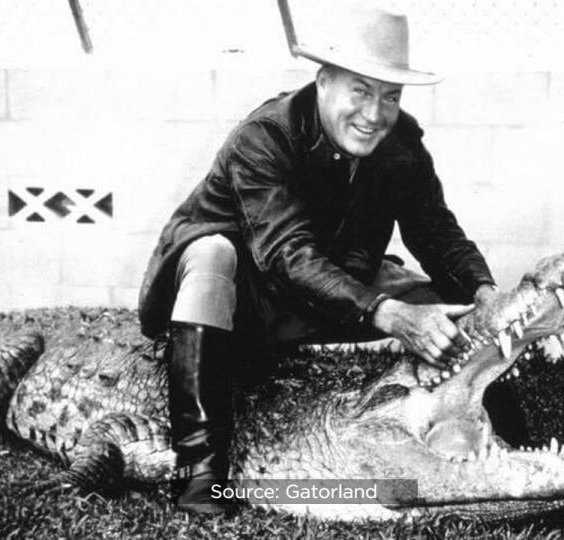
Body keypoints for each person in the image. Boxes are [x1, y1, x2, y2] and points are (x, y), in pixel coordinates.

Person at [138, 7, 504, 514]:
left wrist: (487, 295)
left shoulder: (401, 144)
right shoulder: (265, 136)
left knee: (451, 301)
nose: (374, 114)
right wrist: (390, 314)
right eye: (360, 89)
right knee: (210, 254)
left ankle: (500, 439)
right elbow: (286, 254)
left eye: (390, 96)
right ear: (324, 81)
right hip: (245, 296)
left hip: (336, 286)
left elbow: (437, 232)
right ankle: (201, 477)